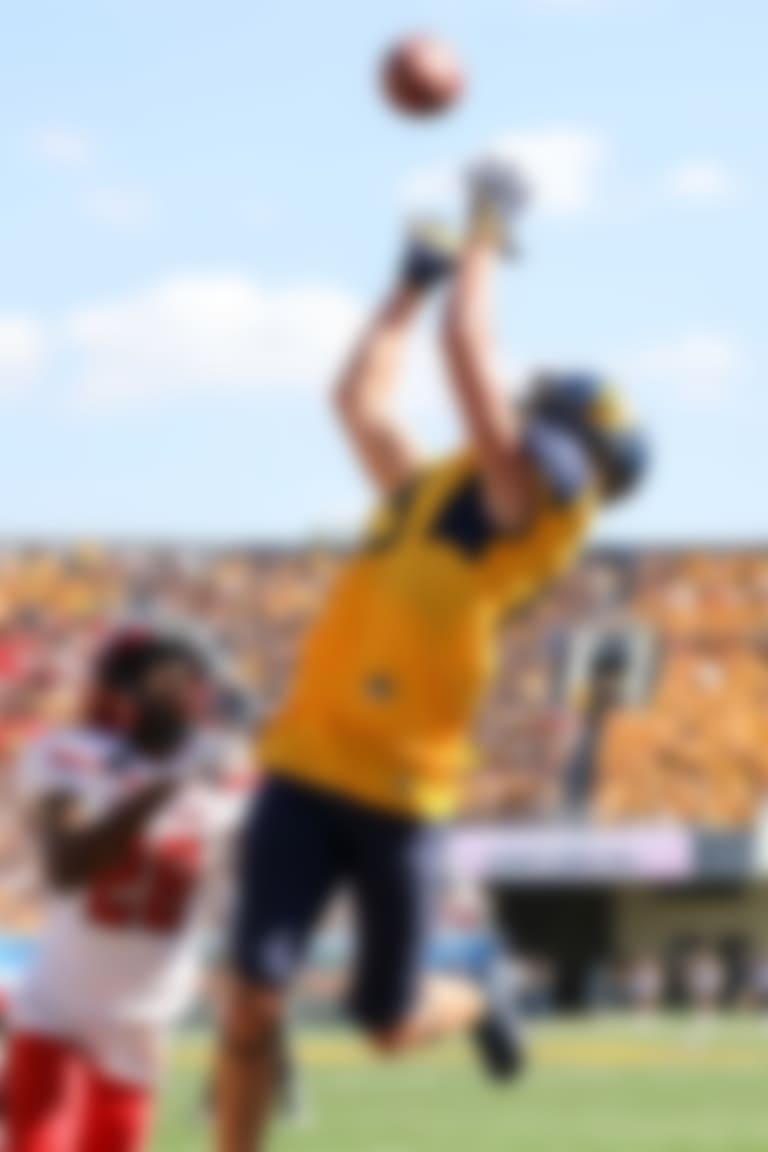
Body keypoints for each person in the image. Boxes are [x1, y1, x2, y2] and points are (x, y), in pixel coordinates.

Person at [216, 159, 649, 1151]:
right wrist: (409, 281)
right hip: (309, 760)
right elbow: (358, 400)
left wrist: (484, 237)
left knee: (389, 1026)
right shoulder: (429, 491)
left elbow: (467, 348)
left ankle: (476, 992)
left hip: (404, 794)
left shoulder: (533, 519)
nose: (539, 457)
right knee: (250, 1001)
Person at [4, 624, 252, 1152]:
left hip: (145, 1024)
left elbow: (245, 919)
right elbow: (68, 864)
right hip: (58, 1009)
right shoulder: (71, 756)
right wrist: (163, 788)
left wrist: (239, 1046)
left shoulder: (226, 778)